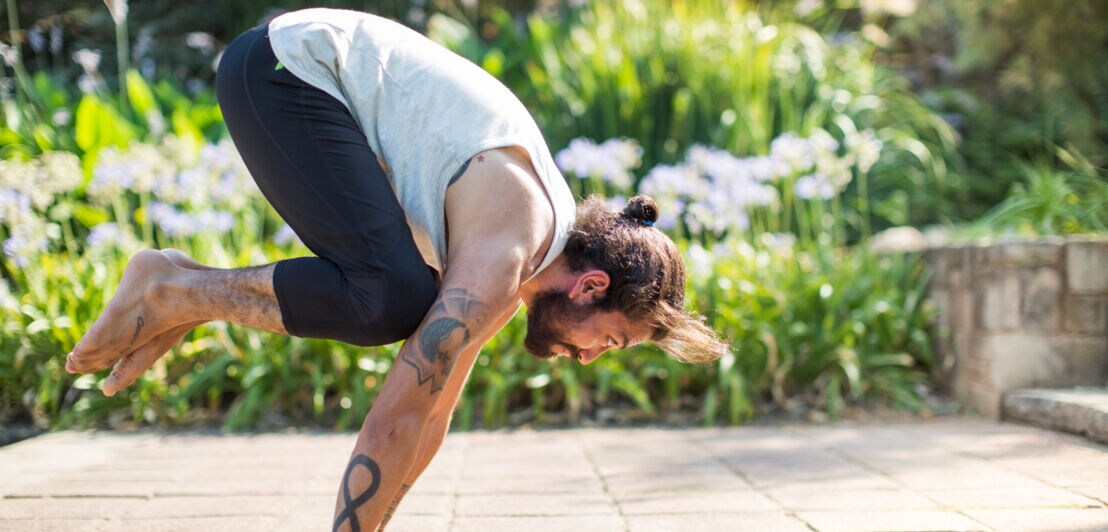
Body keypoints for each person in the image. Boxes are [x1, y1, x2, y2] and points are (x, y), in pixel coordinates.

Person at [63, 7, 726, 531]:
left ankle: (179, 290)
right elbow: (391, 420)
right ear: (590, 286)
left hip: (300, 74)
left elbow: (429, 419)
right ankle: (172, 289)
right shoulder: (505, 255)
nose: (589, 358)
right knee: (390, 300)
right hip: (283, 72)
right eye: (607, 339)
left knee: (399, 299)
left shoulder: (513, 258)